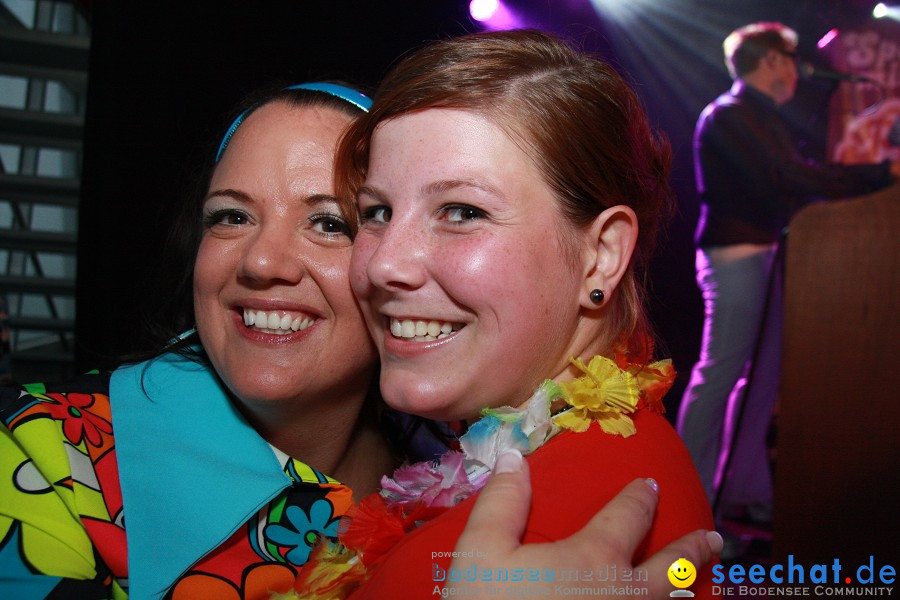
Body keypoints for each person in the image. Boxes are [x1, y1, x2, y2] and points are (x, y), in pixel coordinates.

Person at [1, 81, 718, 600]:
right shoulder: (49, 454)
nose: (261, 263)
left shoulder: (469, 453)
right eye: (229, 218)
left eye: (332, 222)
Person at [324, 29, 717, 597]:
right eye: (378, 211)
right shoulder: (577, 468)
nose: (385, 263)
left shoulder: (554, 539)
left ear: (600, 256)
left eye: (461, 211)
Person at [676, 22, 899, 522]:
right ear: (772, 61)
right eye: (790, 59)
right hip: (735, 257)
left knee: (764, 378)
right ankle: (685, 494)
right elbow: (785, 176)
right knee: (722, 372)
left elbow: (790, 177)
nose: (798, 70)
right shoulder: (731, 116)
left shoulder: (762, 117)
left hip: (769, 255)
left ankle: (742, 490)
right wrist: (877, 176)